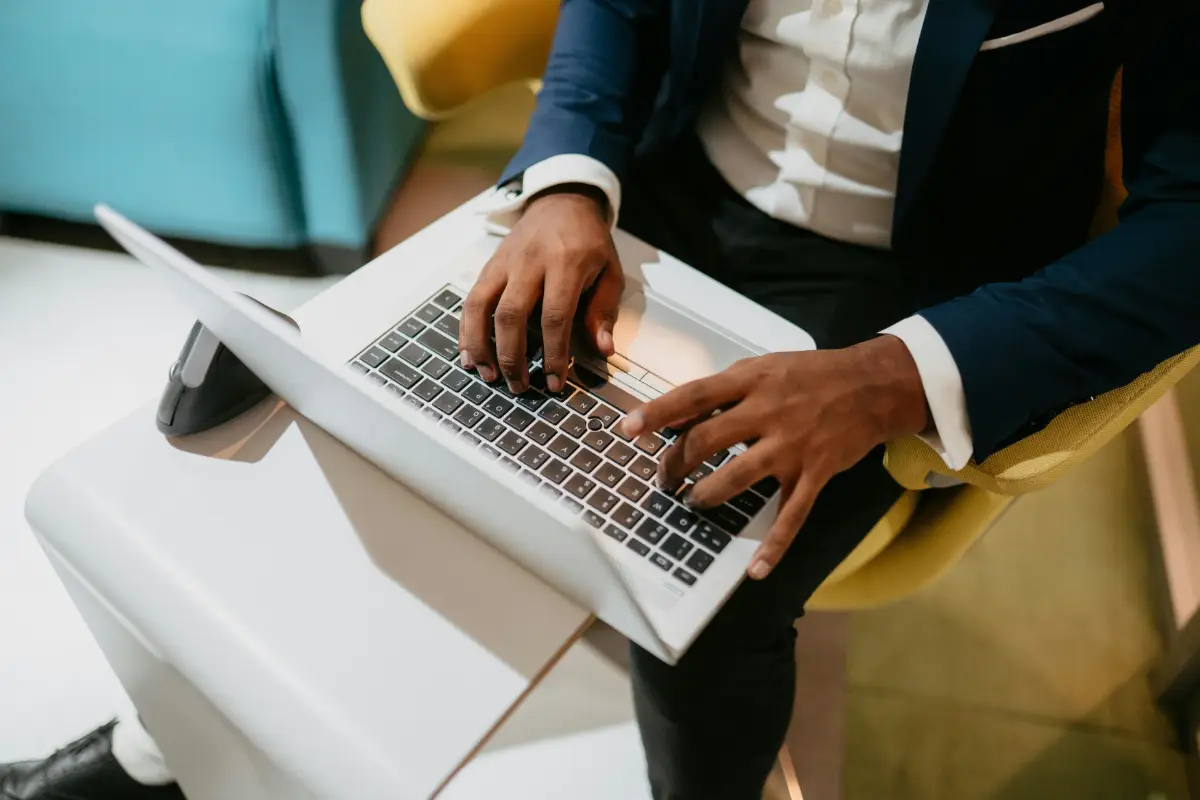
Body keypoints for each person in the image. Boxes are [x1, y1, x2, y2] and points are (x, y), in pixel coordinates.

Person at [6, 1, 1197, 798]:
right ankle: (155, 752)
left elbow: (1187, 221)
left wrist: (897, 373)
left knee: (711, 596)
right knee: (362, 413)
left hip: (901, 284)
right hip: (665, 191)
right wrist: (567, 179)